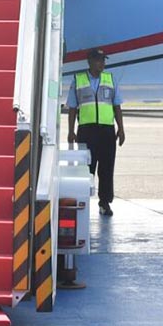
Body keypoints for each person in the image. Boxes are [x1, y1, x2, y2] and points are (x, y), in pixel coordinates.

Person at [66, 48, 125, 216]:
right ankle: (82, 201)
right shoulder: (78, 80)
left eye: (103, 60)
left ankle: (105, 202)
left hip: (107, 131)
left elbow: (117, 106)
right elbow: (72, 107)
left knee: (107, 168)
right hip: (86, 131)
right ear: (90, 62)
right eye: (99, 60)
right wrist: (71, 131)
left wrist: (121, 128)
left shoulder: (110, 79)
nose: (102, 64)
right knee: (86, 169)